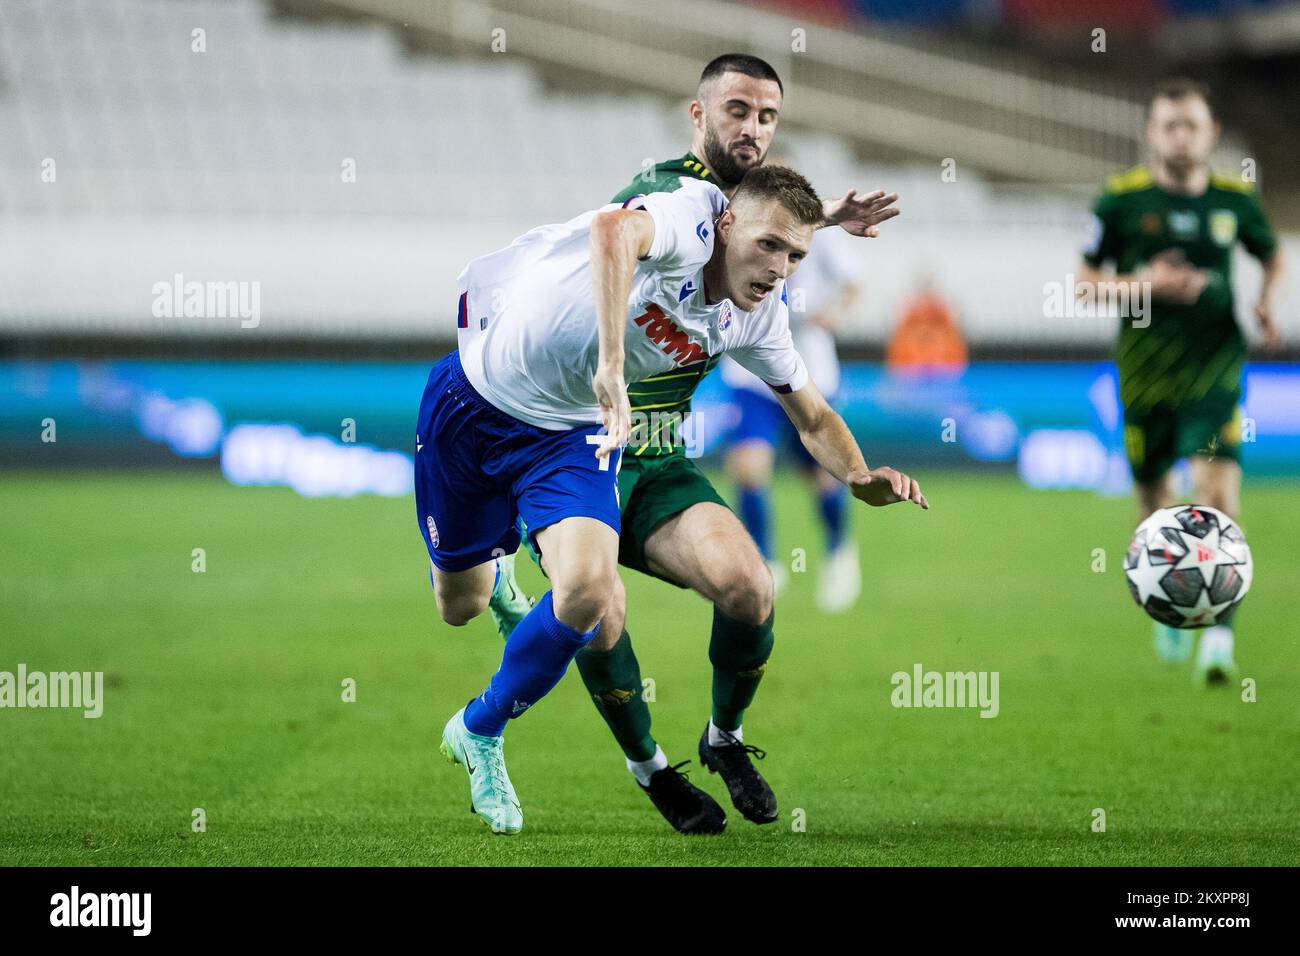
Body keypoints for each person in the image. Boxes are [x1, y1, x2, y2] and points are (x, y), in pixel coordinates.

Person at [426, 163, 926, 835]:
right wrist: (609, 363)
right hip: (473, 403)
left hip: (572, 438)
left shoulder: (756, 316)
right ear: (724, 220)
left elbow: (811, 416)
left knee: (592, 596)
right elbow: (613, 228)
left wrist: (860, 477)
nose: (780, 268)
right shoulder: (687, 213)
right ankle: (501, 581)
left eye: (796, 255)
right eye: (769, 247)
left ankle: (482, 728)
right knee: (461, 605)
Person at [1077, 78, 1284, 685]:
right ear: (1151, 132)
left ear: (1211, 133)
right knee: (1153, 507)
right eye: (1170, 125)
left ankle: (1219, 641)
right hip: (1144, 377)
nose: (1181, 136)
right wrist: (1150, 284)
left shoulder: (1235, 202)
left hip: (1214, 372)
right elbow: (1084, 284)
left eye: (1191, 125)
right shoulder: (1119, 203)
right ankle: (1166, 605)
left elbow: (1272, 255)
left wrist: (1268, 299)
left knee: (1217, 497)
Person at [722, 224, 865, 612]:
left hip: (808, 372)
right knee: (749, 467)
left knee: (821, 475)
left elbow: (854, 283)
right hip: (750, 372)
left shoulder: (821, 234)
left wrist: (833, 314)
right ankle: (765, 562)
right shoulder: (738, 227)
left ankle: (839, 552)